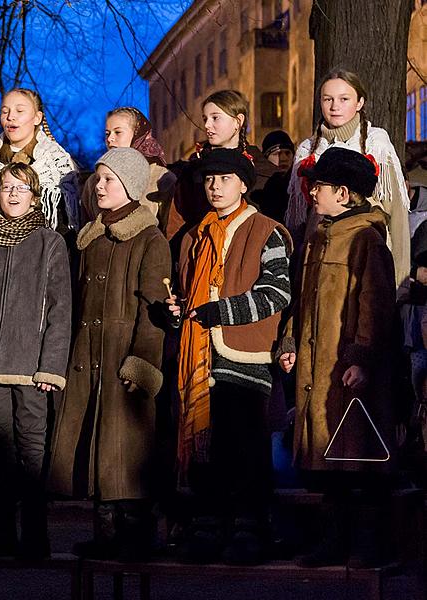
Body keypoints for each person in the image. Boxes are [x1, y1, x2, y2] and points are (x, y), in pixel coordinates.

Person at [167, 148, 291, 565]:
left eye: (225, 179)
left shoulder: (265, 231)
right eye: (210, 180)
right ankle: (208, 524)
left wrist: (219, 310)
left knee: (245, 446)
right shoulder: (194, 236)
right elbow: (189, 293)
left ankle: (249, 527)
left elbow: (276, 294)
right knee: (208, 446)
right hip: (199, 354)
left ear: (243, 184)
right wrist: (178, 309)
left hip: (245, 355)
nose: (216, 187)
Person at [278, 148, 397, 567]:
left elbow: (374, 303)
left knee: (357, 459)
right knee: (329, 464)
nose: (312, 193)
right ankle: (333, 541)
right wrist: (290, 341)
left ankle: (365, 546)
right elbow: (302, 301)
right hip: (318, 366)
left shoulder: (365, 239)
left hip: (346, 369)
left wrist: (360, 356)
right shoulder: (317, 237)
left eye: (320, 187)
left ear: (344, 193)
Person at [49, 148, 169, 561]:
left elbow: (152, 312)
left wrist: (141, 363)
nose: (99, 187)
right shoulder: (91, 239)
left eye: (109, 180)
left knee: (125, 451)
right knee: (95, 449)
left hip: (123, 362)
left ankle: (135, 534)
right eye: (97, 179)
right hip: (88, 358)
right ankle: (104, 532)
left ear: (131, 187)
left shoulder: (151, 240)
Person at [0, 162, 71, 560]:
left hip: (31, 366)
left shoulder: (48, 242)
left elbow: (60, 310)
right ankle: (0, 532)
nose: (14, 194)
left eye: (23, 188)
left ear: (35, 195)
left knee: (32, 452)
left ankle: (36, 537)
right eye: (7, 188)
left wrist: (50, 367)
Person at [284, 69, 409, 285]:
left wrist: (399, 281)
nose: (335, 106)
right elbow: (297, 221)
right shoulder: (307, 149)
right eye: (328, 99)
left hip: (366, 255)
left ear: (359, 102)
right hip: (318, 258)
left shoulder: (376, 144)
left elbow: (395, 214)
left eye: (344, 99)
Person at [0, 88, 79, 232]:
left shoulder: (57, 164)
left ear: (37, 118)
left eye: (19, 111)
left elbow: (66, 224)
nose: (10, 117)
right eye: (5, 111)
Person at [167, 90, 276, 243]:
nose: (206, 125)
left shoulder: (264, 171)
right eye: (205, 118)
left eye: (215, 118)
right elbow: (176, 225)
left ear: (238, 121)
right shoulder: (192, 173)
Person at [80, 107, 176, 229]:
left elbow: (169, 229)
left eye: (118, 132)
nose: (110, 139)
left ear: (138, 133)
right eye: (107, 134)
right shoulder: (94, 181)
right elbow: (85, 229)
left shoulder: (160, 178)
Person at [254, 130, 295, 223]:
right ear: (266, 157)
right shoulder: (258, 182)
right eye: (277, 154)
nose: (283, 159)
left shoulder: (297, 182)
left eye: (287, 153)